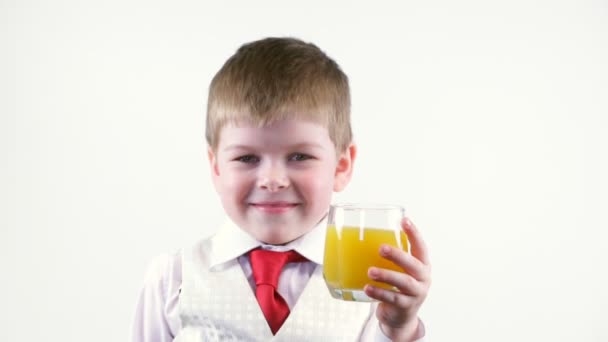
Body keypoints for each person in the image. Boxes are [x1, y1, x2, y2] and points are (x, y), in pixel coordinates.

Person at [132, 37, 431, 341]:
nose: (272, 180)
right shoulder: (172, 279)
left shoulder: (372, 285)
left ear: (341, 166)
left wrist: (398, 329)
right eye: (246, 158)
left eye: (300, 157)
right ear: (216, 167)